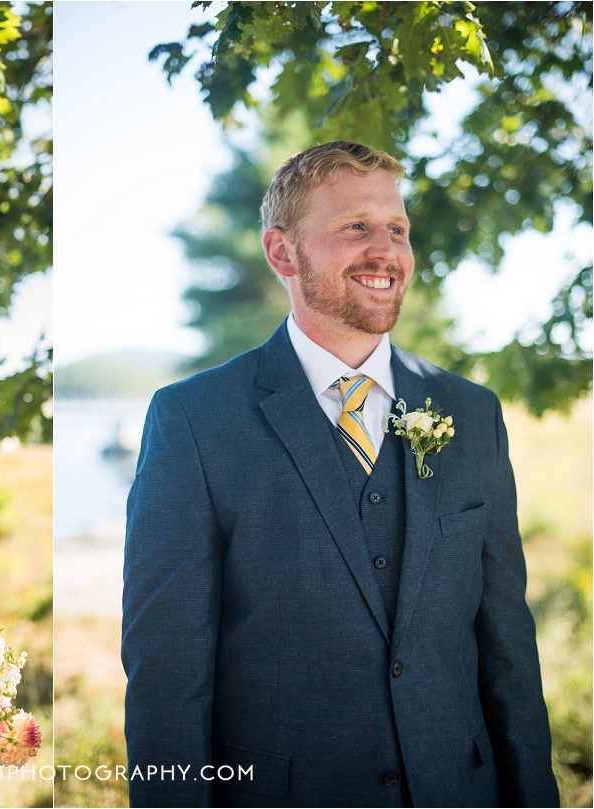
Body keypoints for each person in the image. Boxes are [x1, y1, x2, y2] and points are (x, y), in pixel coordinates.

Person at [121, 141, 559, 807]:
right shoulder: (193, 421)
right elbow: (166, 681)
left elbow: (507, 651)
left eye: (397, 229)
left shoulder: (472, 413)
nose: (386, 250)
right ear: (282, 253)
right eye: (355, 226)